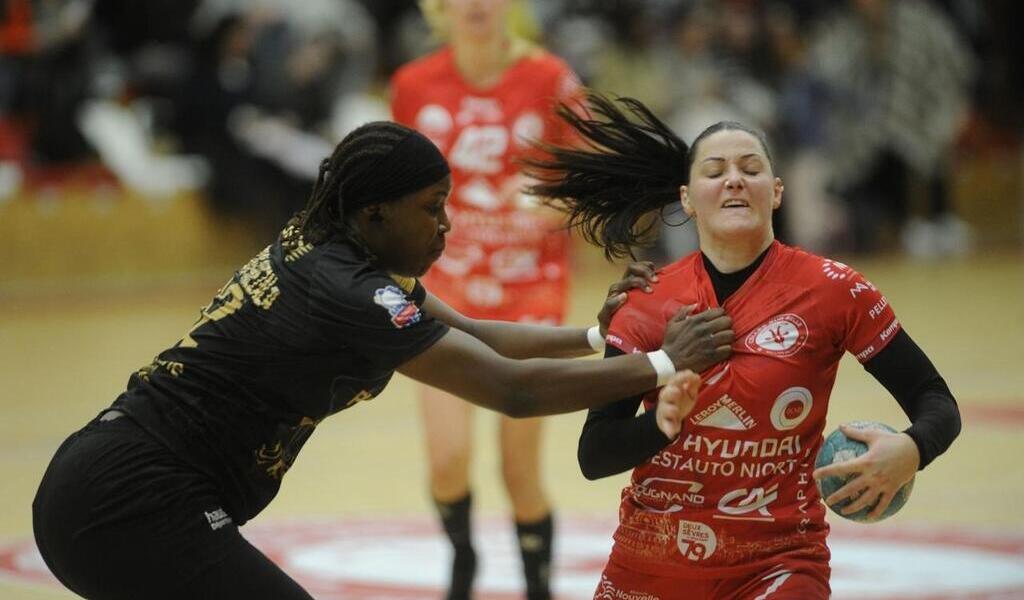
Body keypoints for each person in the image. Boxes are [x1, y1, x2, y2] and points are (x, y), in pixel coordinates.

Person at [31, 121, 734, 600]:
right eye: (431, 208)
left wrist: (596, 335)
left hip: (109, 489)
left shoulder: (342, 252)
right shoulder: (348, 289)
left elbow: (482, 337)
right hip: (128, 503)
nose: (446, 224)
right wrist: (662, 366)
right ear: (372, 214)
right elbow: (511, 390)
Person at [523, 94, 961, 599]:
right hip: (650, 563)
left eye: (750, 169)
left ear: (776, 192)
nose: (734, 178)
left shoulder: (835, 290)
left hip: (779, 562)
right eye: (715, 171)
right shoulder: (646, 300)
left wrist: (912, 448)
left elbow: (936, 401)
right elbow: (594, 454)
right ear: (687, 199)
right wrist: (666, 421)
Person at [389, 2, 584, 598]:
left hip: (529, 290)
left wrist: (538, 200)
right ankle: (464, 563)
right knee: (447, 459)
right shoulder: (412, 85)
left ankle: (537, 586)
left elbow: (590, 191)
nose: (476, 4)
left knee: (517, 468)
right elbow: (389, 189)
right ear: (439, 11)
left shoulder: (552, 79)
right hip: (442, 292)